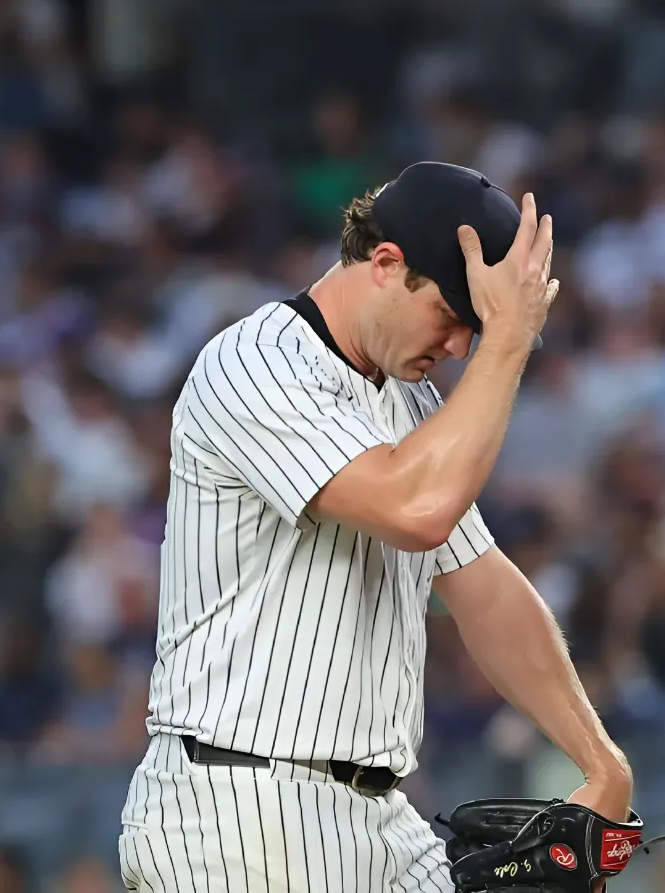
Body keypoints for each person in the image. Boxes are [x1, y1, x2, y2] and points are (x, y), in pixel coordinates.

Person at [118, 161, 632, 890]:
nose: (461, 347)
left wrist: (600, 760)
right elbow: (414, 512)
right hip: (238, 810)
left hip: (379, 818)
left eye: (475, 330)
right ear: (387, 265)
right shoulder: (257, 363)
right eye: (454, 317)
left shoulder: (409, 402)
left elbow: (484, 588)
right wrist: (509, 343)